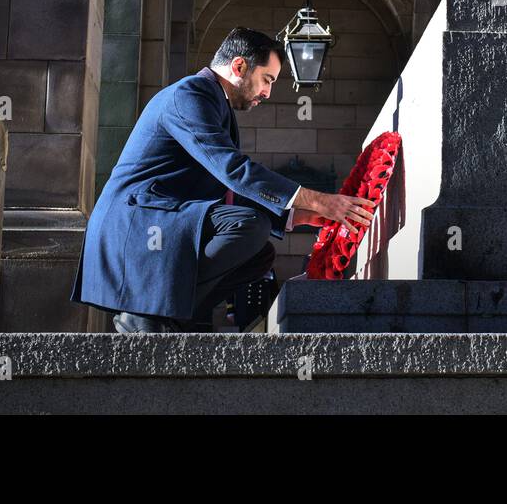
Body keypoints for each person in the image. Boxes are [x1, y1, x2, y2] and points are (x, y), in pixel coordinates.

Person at [70, 27, 376, 332]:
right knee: (250, 225)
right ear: (239, 66)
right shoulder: (190, 94)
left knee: (260, 253)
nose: (268, 93)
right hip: (136, 225)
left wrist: (297, 216)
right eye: (267, 79)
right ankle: (145, 312)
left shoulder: (212, 102)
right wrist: (321, 199)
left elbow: (227, 188)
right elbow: (233, 170)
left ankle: (169, 316)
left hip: (164, 218)